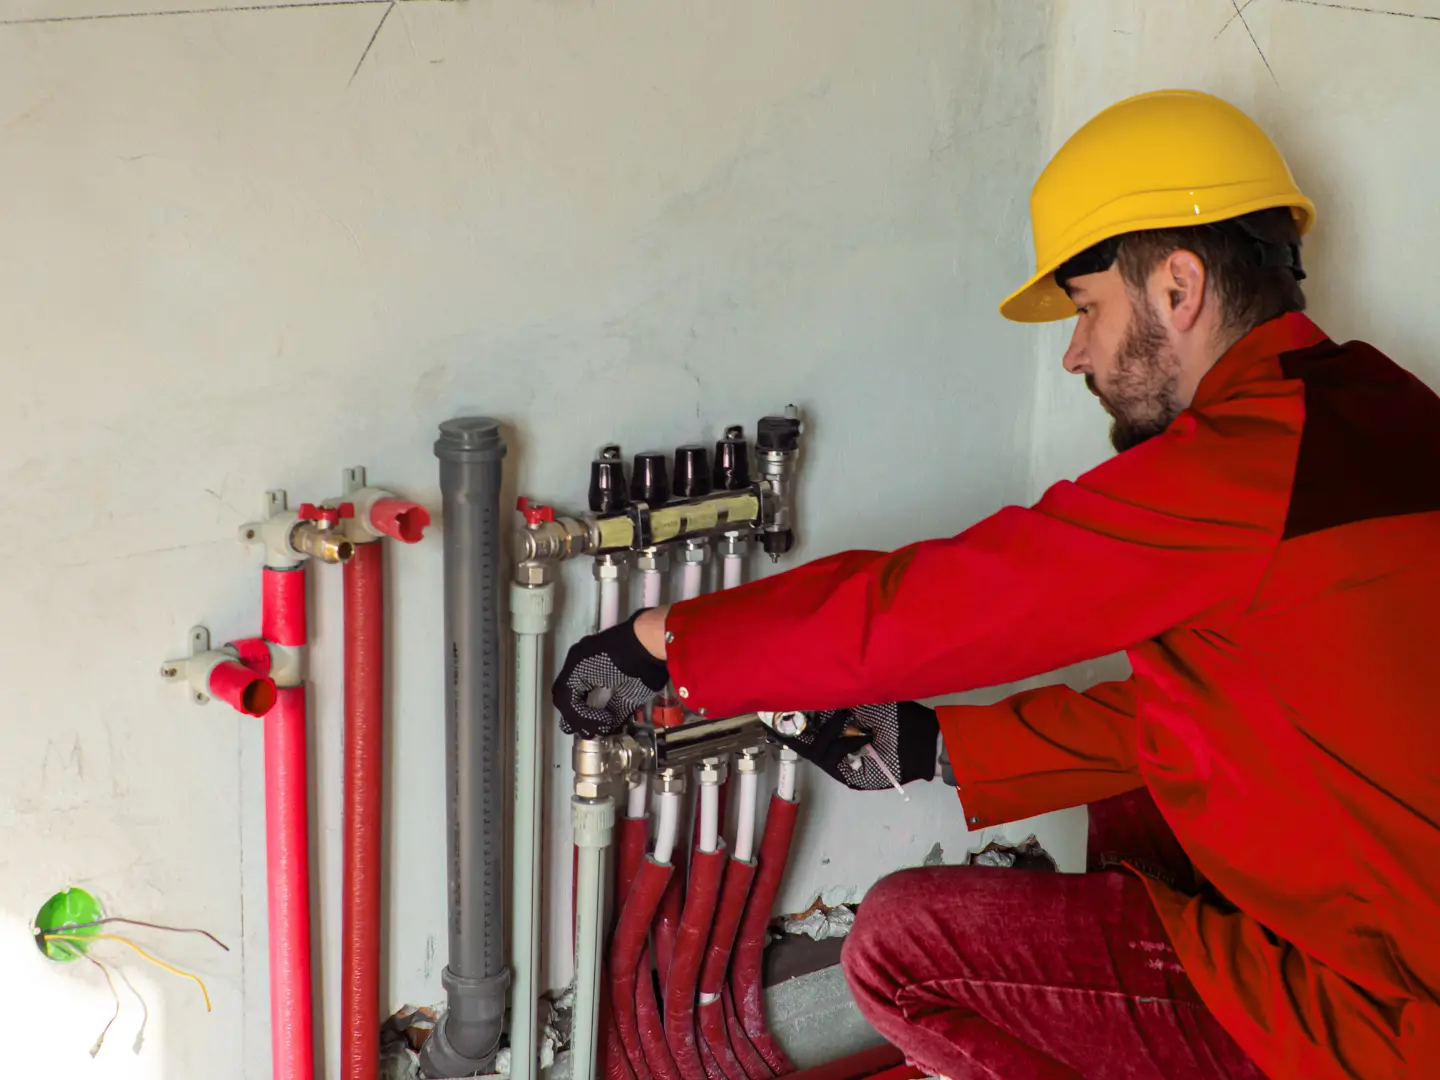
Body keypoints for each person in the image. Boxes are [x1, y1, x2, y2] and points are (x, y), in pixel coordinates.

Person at [551, 89, 1440, 1080]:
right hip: (1397, 926)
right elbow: (1231, 716)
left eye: (1087, 308)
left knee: (898, 950)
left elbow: (957, 599)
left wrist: (668, 640)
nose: (1075, 353)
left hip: (1392, 1019)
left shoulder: (1245, 466)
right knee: (1138, 808)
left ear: (1179, 286)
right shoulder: (1386, 409)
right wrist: (942, 749)